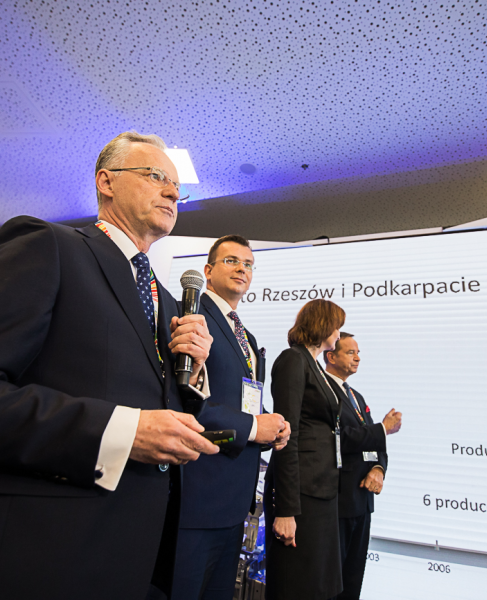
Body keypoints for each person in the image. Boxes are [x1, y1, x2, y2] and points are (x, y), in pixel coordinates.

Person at [0, 131, 220, 600]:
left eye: (178, 187)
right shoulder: (44, 245)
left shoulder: (167, 301)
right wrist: (120, 432)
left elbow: (158, 410)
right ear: (106, 182)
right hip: (34, 552)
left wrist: (194, 373)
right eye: (157, 176)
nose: (173, 192)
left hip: (126, 555)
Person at [171, 235, 290, 600]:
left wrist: (270, 424)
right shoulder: (191, 318)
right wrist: (254, 428)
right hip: (196, 497)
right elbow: (182, 401)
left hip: (235, 504)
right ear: (208, 271)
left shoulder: (246, 337)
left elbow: (240, 402)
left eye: (248, 264)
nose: (242, 269)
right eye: (232, 261)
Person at [264, 298, 346, 600]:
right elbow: (288, 435)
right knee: (298, 585)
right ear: (323, 325)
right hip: (301, 496)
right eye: (337, 326)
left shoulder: (314, 365)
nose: (339, 334)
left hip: (320, 492)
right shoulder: (293, 359)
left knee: (319, 587)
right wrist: (286, 510)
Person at [323, 333, 402, 600]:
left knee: (352, 581)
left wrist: (379, 469)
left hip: (362, 502)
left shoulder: (356, 396)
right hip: (337, 502)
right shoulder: (323, 391)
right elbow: (338, 439)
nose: (357, 358)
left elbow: (375, 443)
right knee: (331, 584)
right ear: (331, 356)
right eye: (350, 352)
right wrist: (382, 429)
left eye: (358, 353)